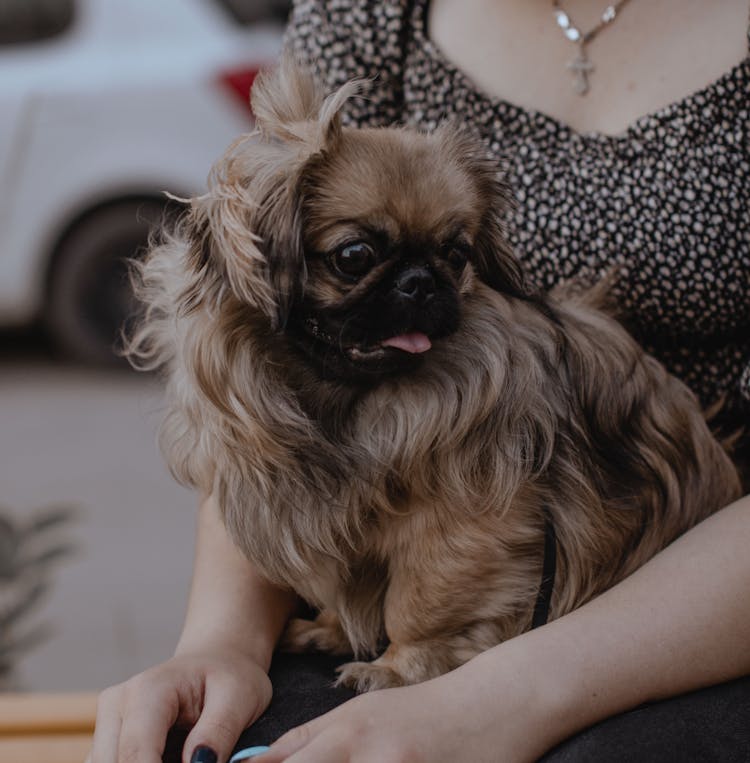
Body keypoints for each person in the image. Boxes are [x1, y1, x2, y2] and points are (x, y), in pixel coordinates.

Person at [88, 1, 750, 761]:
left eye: (450, 258)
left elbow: (472, 523)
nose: (416, 288)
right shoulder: (369, 13)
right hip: (375, 607)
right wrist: (221, 641)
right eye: (355, 259)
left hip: (702, 597)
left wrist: (484, 692)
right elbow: (261, 368)